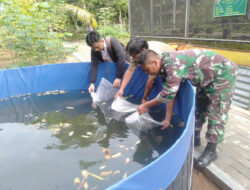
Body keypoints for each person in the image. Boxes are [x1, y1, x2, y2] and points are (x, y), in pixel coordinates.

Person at [137, 49, 237, 168]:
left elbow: (168, 94)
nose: (146, 73)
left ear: (154, 63)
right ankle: (196, 137)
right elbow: (170, 94)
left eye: (146, 69)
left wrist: (145, 105)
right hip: (206, 78)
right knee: (199, 108)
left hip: (223, 73)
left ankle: (211, 150)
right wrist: (167, 119)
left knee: (216, 112)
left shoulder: (172, 64)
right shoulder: (163, 67)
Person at [114, 38, 174, 103]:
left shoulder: (152, 55)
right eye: (132, 57)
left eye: (135, 57)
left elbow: (151, 80)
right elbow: (130, 70)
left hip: (172, 64)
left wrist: (145, 98)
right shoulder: (138, 53)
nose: (134, 59)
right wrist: (121, 89)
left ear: (143, 50)